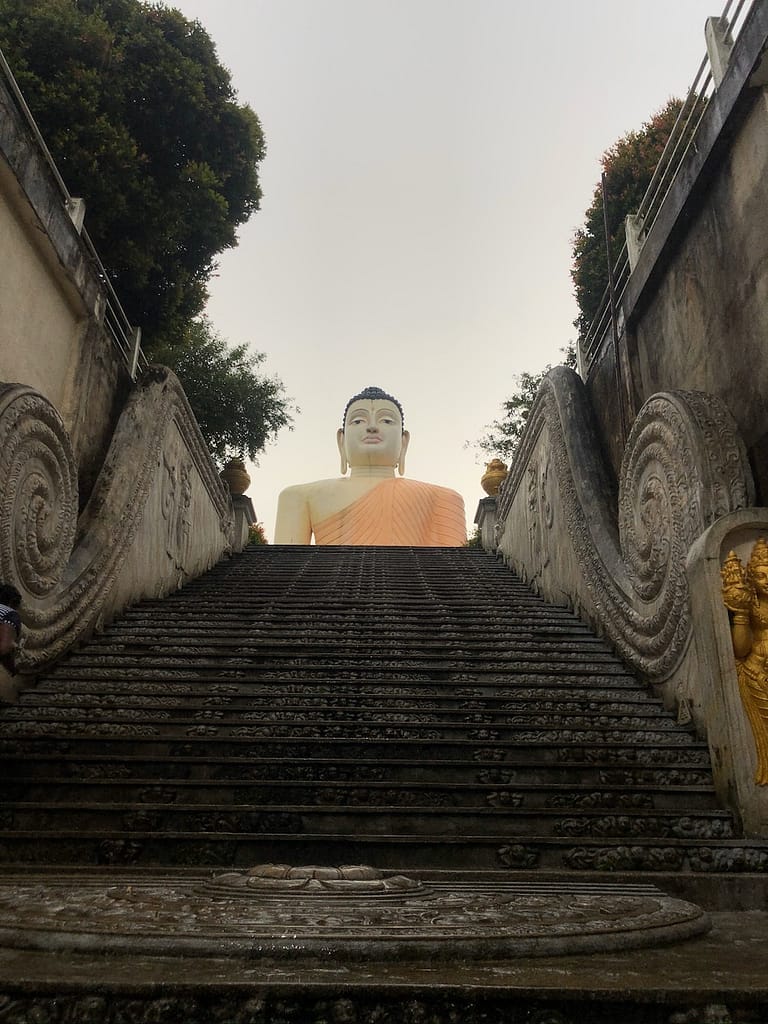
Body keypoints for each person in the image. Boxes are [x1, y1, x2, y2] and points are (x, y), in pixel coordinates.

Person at [274, 386, 466, 546]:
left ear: (403, 441)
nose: (372, 427)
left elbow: (457, 575)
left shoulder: (443, 498)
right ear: (341, 440)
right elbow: (284, 574)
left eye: (386, 420)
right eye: (358, 421)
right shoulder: (299, 497)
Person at [721, 541, 768, 784]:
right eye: (761, 575)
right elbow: (740, 649)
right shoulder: (751, 605)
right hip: (758, 672)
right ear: (752, 575)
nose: (767, 580)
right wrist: (740, 614)